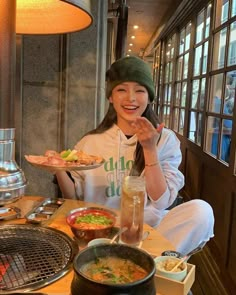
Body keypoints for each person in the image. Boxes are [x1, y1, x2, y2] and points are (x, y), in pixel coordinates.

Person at [55, 56, 214, 255]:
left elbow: (161, 201)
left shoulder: (164, 139)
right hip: (101, 230)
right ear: (111, 97)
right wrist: (58, 168)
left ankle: (143, 260)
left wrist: (149, 148)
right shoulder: (90, 142)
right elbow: (74, 199)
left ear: (149, 97)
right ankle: (144, 265)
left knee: (201, 211)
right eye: (121, 89)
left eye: (139, 90)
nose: (131, 98)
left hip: (149, 231)